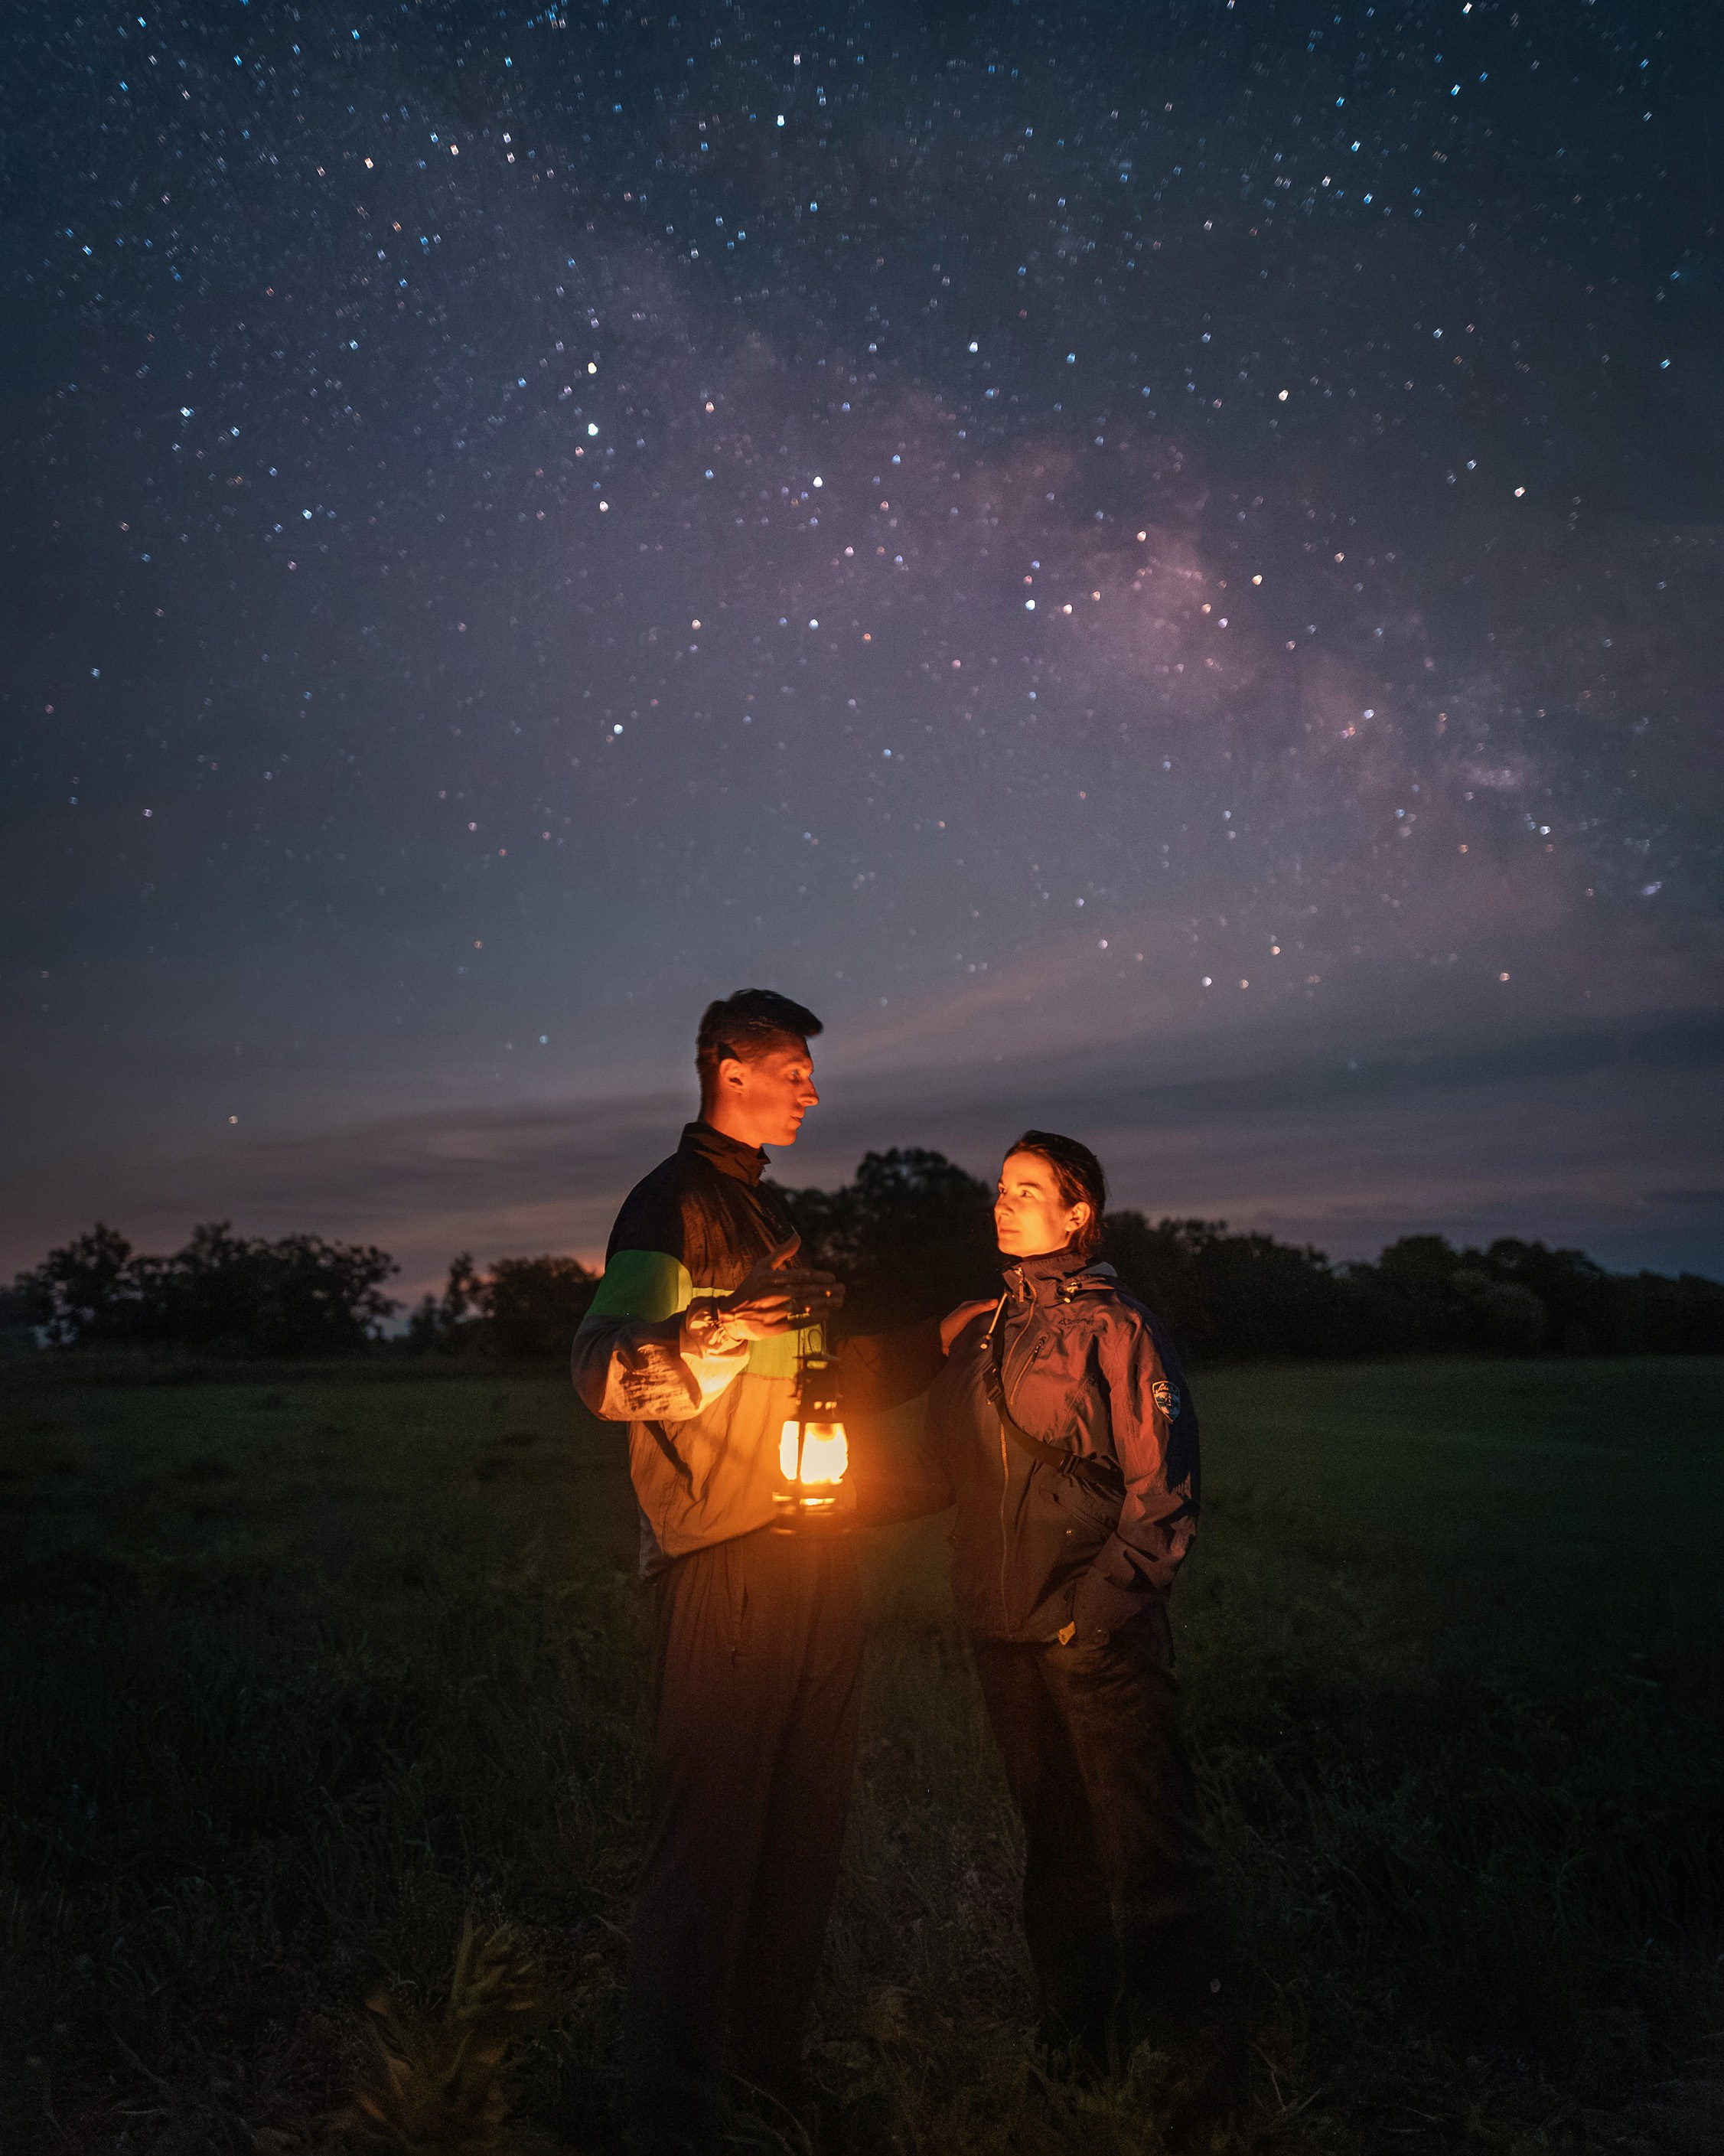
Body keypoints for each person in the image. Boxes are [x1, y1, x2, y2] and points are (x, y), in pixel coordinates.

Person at [571, 989, 947, 2154]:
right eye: (794, 1069)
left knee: (802, 1827)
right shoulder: (672, 1203)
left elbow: (804, 1380)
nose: (811, 1090)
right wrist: (726, 1324)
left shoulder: (761, 1215)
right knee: (712, 1839)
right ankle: (670, 2114)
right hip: (724, 1557)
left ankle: (766, 2073)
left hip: (812, 1550)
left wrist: (939, 1342)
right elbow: (602, 1373)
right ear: (729, 1067)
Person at [864, 1130, 1238, 2102]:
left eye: (1029, 1190)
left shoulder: (1120, 1329)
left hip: (1093, 1639)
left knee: (1149, 1855)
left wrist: (1092, 1616)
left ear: (1078, 1215)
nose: (1004, 1201)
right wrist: (822, 1498)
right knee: (1057, 1857)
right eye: (1000, 1188)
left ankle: (1201, 2080)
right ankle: (1076, 2058)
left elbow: (1165, 1495)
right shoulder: (989, 1334)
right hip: (1001, 1635)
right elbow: (945, 1474)